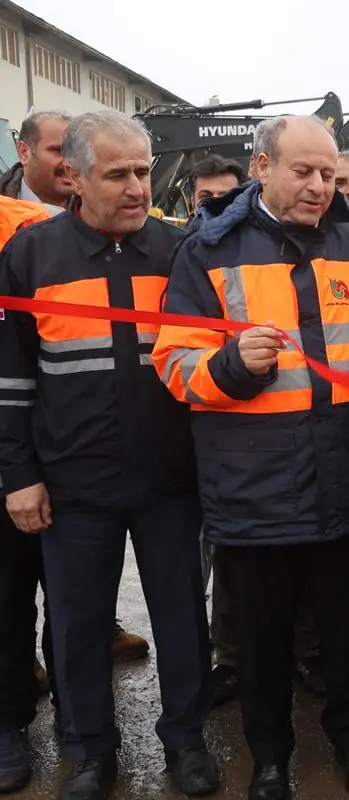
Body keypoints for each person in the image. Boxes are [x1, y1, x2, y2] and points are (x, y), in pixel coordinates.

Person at [152, 114, 349, 800]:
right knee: (260, 644)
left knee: (346, 635)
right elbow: (173, 362)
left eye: (328, 173)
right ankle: (270, 759)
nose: (320, 186)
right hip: (254, 488)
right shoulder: (207, 251)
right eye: (303, 171)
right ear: (262, 168)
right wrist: (231, 365)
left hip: (343, 483)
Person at [0, 111, 219, 800]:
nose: (136, 188)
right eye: (117, 174)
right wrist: (19, 476)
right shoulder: (31, 256)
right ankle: (91, 753)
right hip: (74, 485)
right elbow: (12, 379)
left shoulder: (180, 251)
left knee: (182, 619)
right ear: (74, 177)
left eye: (143, 172)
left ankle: (185, 740)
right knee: (79, 628)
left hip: (170, 481)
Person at [0, 195, 53, 795]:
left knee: (66, 598)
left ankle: (80, 718)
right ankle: (7, 721)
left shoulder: (26, 231)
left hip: (44, 446)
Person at [0, 111, 73, 212]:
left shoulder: (94, 213)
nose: (72, 162)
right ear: (24, 152)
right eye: (59, 151)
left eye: (77, 152)